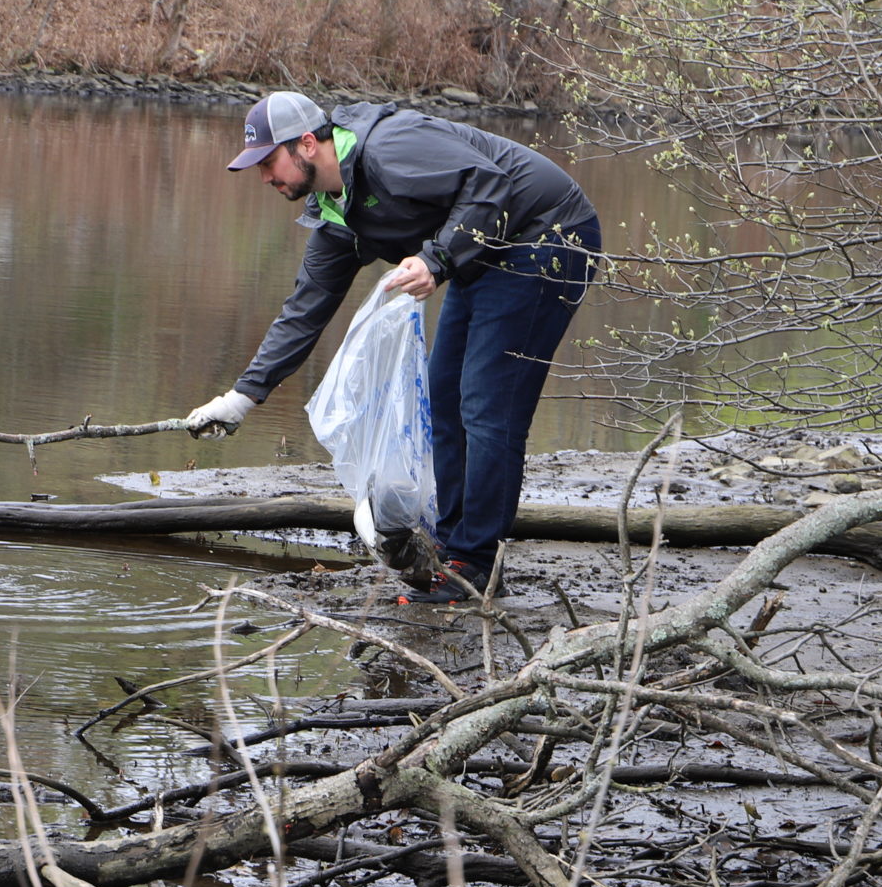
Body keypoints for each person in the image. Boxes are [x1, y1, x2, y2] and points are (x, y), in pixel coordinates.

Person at [186, 90, 599, 603]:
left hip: (549, 235)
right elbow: (303, 312)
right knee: (443, 398)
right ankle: (454, 548)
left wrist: (437, 259)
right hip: (485, 252)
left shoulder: (390, 148)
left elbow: (488, 181)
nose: (266, 178)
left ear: (307, 144)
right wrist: (242, 397)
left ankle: (474, 567)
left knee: (487, 406)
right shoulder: (337, 215)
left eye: (269, 162)